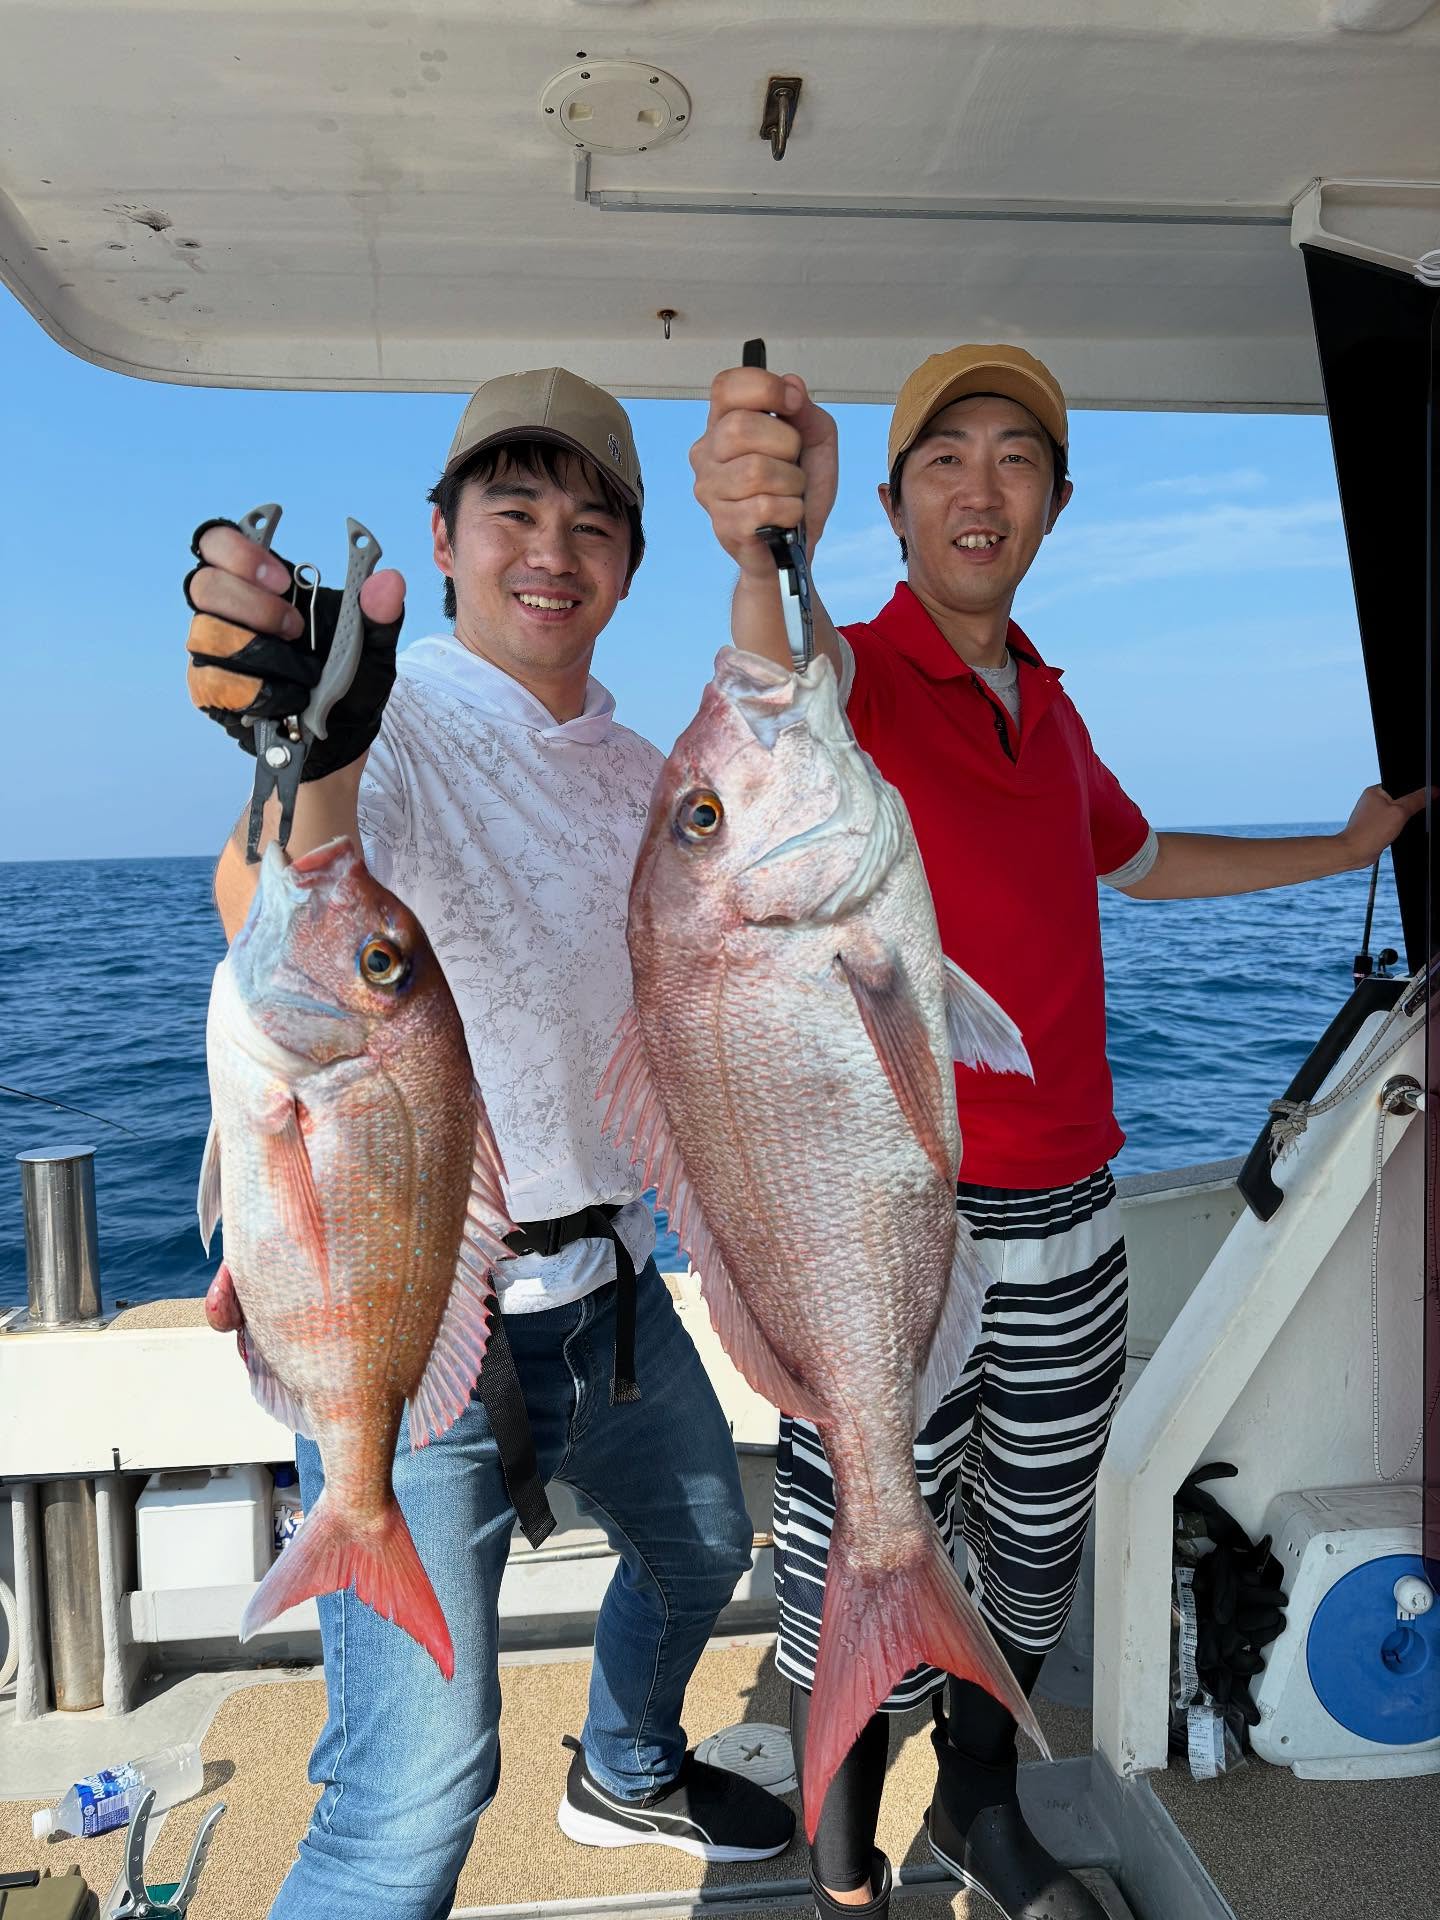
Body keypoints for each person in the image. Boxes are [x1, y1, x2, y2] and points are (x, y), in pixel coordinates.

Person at [689, 345, 1426, 1920]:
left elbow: (1145, 860)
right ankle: (848, 1803)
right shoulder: (860, 679)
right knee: (851, 1554)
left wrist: (1341, 848)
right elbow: (770, 676)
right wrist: (765, 549)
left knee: (1029, 1556)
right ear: (886, 508)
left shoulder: (1052, 704)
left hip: (1074, 1223)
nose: (981, 487)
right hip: (902, 1228)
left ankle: (980, 1800)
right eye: (943, 459)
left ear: (1058, 505)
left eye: (1016, 459)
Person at [184, 366, 794, 1919]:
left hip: (614, 1297)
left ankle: (627, 1768)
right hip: (407, 1318)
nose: (553, 549)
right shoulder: (403, 714)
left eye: (594, 524)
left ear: (630, 570)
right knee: (416, 1787)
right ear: (445, 538)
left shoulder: (659, 779)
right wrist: (301, 717)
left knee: (705, 1543)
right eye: (511, 511)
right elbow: (272, 894)